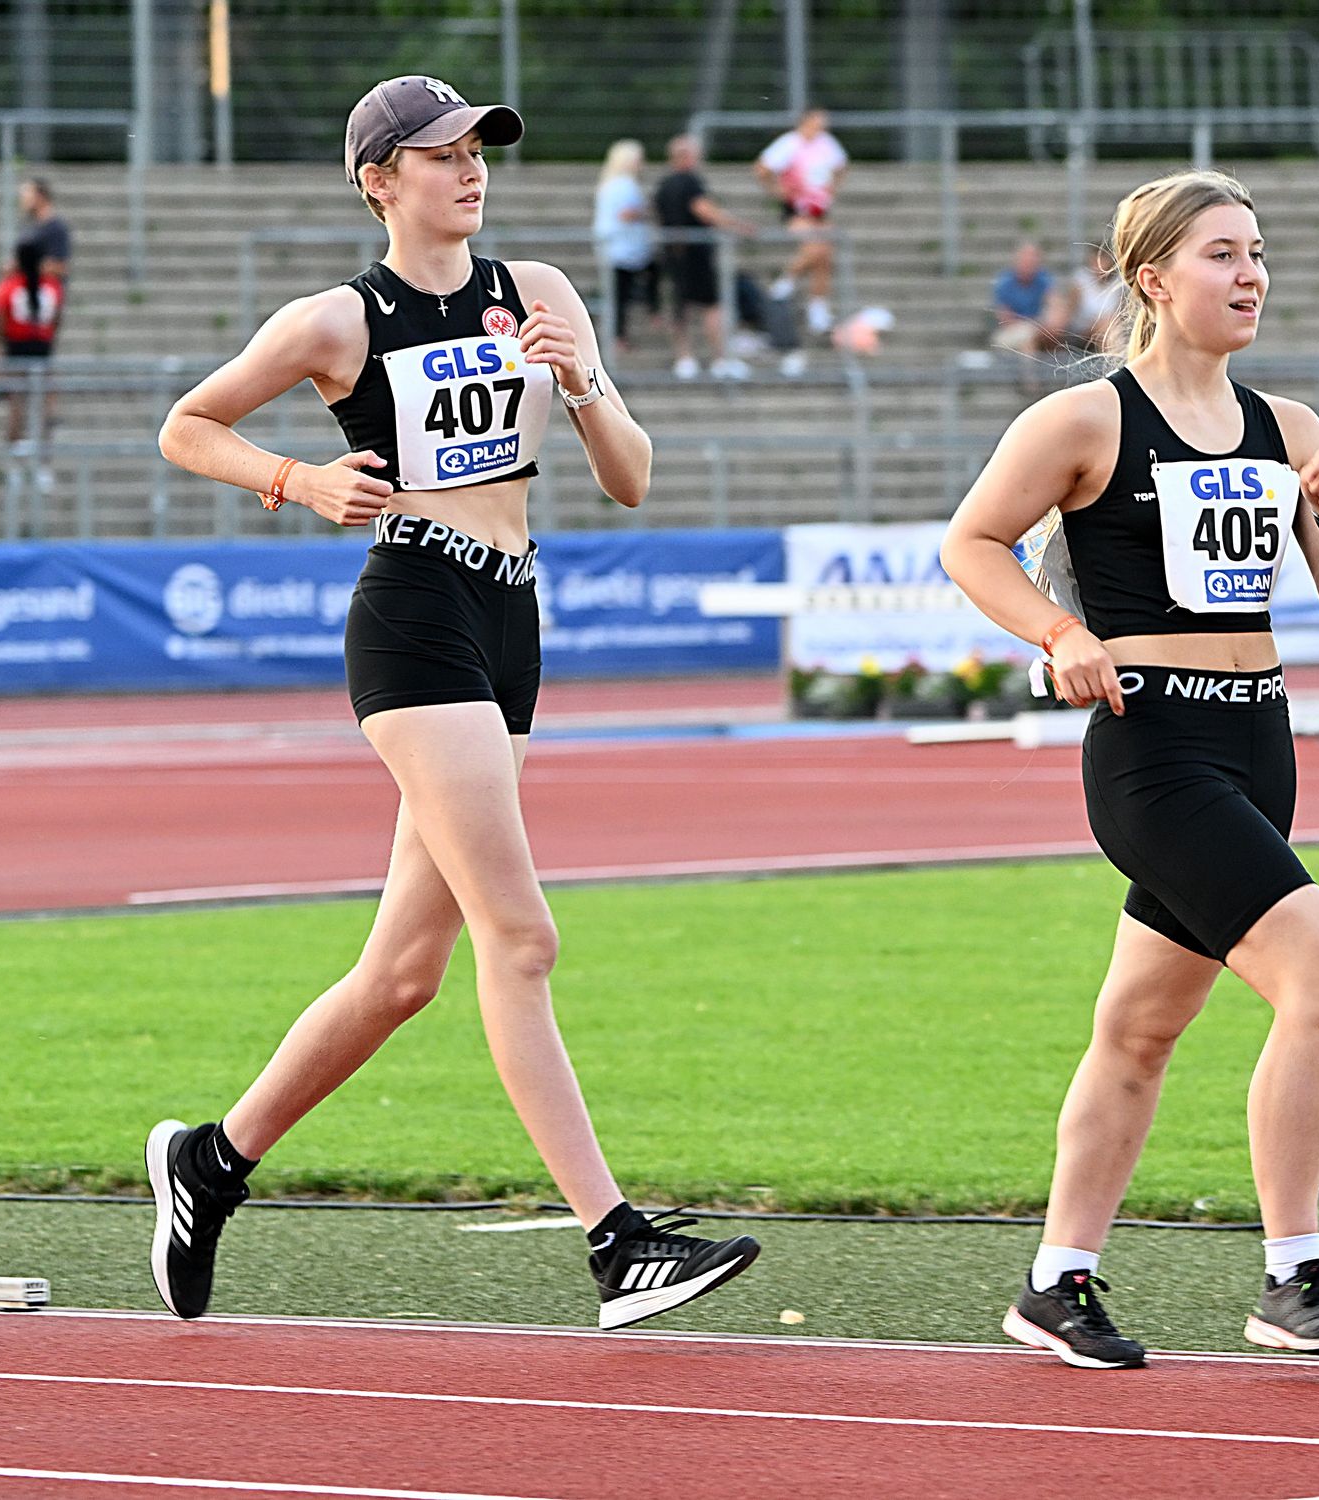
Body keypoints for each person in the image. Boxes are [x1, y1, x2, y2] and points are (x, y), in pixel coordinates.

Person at [147, 75, 759, 1331]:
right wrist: (297, 480)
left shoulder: (537, 291)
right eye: (441, 154)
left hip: (511, 617)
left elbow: (631, 479)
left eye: (479, 148)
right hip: (415, 614)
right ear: (379, 181)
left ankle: (211, 1160)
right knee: (519, 939)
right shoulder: (338, 318)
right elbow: (186, 427)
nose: (471, 168)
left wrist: (579, 382)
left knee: (401, 976)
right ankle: (615, 1243)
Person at [942, 169, 1319, 1369]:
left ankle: (1054, 1283)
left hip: (1258, 741)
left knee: (1139, 1030)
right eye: (1220, 254)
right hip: (1153, 752)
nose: (1249, 276)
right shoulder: (1085, 421)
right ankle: (1291, 1274)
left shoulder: (1287, 427)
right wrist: (1058, 632)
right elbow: (970, 542)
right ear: (1152, 278)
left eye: (1257, 253)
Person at [654, 133, 753, 380]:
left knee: (681, 307)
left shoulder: (664, 185)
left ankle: (684, 358)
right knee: (712, 306)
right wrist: (737, 225)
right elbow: (704, 210)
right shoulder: (691, 182)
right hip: (695, 254)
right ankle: (720, 358)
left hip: (672, 252)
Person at [754, 106, 848, 336]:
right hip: (797, 209)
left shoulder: (826, 143)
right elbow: (762, 169)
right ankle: (784, 283)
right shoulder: (789, 143)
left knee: (825, 257)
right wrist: (778, 190)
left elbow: (841, 166)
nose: (821, 128)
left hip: (820, 209)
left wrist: (832, 188)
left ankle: (818, 309)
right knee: (815, 247)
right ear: (805, 122)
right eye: (817, 123)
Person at [592, 139, 659, 354]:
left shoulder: (609, 184)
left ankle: (623, 333)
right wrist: (648, 210)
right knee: (621, 295)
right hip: (623, 248)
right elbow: (626, 214)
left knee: (621, 294)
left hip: (615, 246)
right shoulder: (624, 185)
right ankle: (626, 331)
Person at [0, 241, 64, 445]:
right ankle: (44, 453)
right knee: (46, 403)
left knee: (16, 406)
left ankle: (15, 452)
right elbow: (56, 319)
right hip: (42, 350)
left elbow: (0, 320)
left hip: (16, 350)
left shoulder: (10, 286)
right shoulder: (52, 286)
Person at [990, 240, 1064, 356]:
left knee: (1054, 336)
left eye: (1033, 258)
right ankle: (1029, 367)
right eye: (1026, 258)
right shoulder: (1004, 283)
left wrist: (1049, 323)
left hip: (1039, 328)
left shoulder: (1044, 280)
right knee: (1027, 341)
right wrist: (1033, 328)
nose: (1030, 262)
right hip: (1014, 329)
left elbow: (1055, 306)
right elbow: (1005, 318)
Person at [16, 177, 72, 286]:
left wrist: (26, 266)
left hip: (46, 290)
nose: (23, 200)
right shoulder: (31, 227)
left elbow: (61, 267)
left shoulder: (56, 228)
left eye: (26, 195)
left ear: (40, 197)